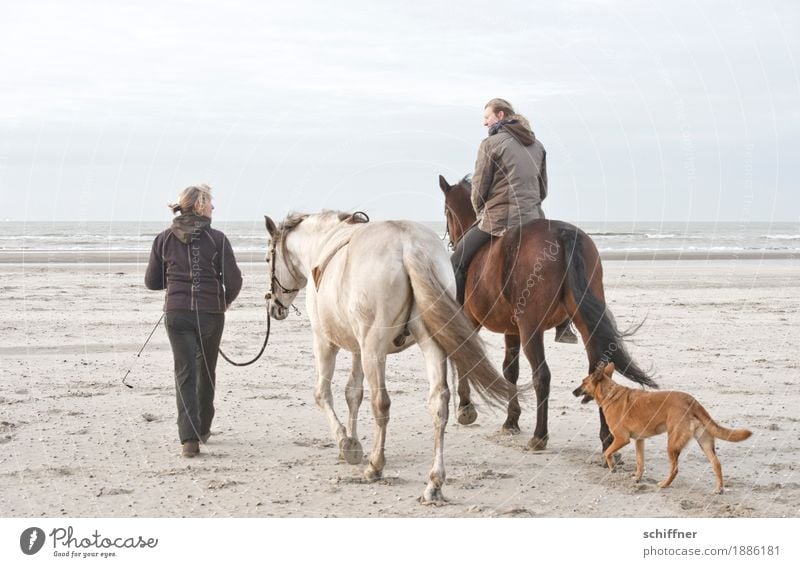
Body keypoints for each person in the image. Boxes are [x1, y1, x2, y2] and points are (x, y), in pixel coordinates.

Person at [452, 98, 577, 343]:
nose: (484, 122)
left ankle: (455, 319)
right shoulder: (538, 145)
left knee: (456, 261)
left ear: (500, 116)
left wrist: (480, 213)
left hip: (498, 220)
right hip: (533, 219)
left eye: (486, 116)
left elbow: (479, 188)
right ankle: (564, 324)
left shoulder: (490, 144)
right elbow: (543, 189)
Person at [145, 184, 242, 457]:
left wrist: (176, 281)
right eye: (211, 203)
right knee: (205, 370)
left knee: (185, 373)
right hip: (210, 313)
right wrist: (225, 300)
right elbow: (234, 281)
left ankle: (190, 438)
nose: (213, 207)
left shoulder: (164, 239)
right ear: (200, 206)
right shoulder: (217, 239)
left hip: (177, 314)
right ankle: (201, 430)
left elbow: (153, 281)